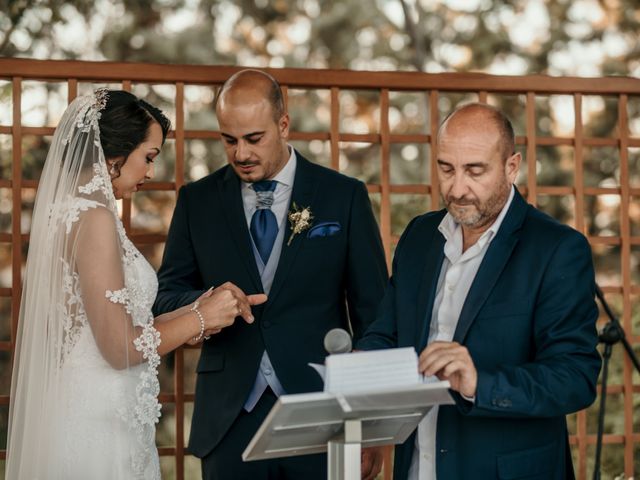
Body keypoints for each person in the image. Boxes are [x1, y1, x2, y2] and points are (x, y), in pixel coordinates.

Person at [5, 89, 265, 480]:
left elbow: (115, 321)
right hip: (96, 418)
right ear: (114, 157)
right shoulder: (94, 219)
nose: (150, 172)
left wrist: (202, 307)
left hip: (97, 403)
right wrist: (199, 319)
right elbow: (118, 345)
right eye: (148, 157)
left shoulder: (72, 212)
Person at [153, 69, 388, 480]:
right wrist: (209, 303)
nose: (240, 153)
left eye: (253, 138)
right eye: (229, 139)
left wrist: (366, 427)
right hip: (230, 418)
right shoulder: (197, 201)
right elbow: (166, 295)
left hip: (322, 412)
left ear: (283, 125)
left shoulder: (343, 196)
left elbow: (374, 316)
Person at [356, 103, 601, 479]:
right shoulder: (419, 237)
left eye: (474, 171)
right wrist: (352, 376)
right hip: (417, 467)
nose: (457, 189)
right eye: (446, 168)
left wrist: (477, 383)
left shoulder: (557, 249)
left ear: (511, 166)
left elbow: (574, 378)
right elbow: (387, 334)